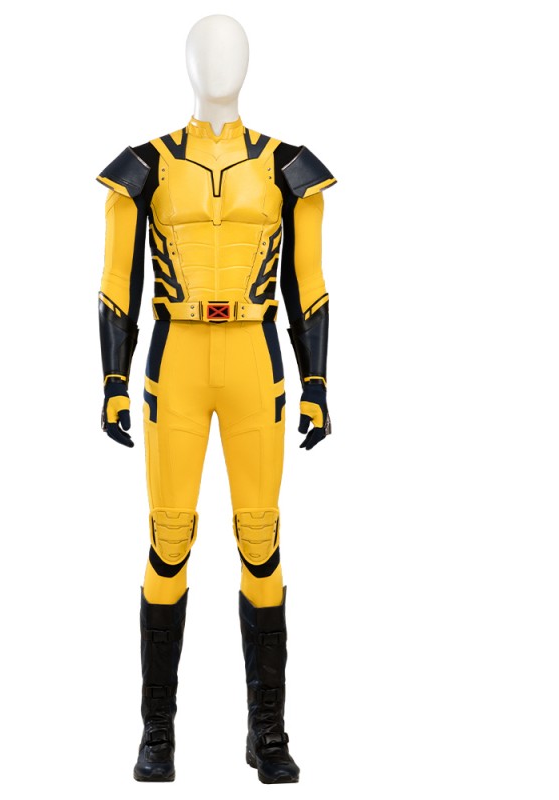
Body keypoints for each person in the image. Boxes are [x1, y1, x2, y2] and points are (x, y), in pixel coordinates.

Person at [96, 14, 335, 784]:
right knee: (169, 538)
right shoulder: (147, 166)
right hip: (176, 357)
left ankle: (268, 732)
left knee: (260, 538)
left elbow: (308, 281)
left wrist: (317, 382)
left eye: (231, 50)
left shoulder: (287, 166)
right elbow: (116, 280)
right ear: (188, 63)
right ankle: (156, 733)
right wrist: (111, 381)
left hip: (254, 357)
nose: (219, 63)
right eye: (207, 50)